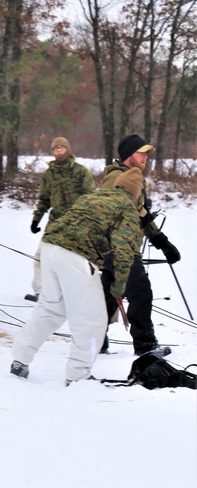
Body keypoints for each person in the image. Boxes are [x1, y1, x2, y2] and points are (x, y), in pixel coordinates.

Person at [10, 168, 143, 385]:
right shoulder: (126, 207)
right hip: (76, 256)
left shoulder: (95, 195)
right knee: (92, 320)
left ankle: (19, 360)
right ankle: (78, 375)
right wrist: (119, 285)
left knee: (51, 308)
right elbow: (124, 248)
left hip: (50, 247)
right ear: (136, 192)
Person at [97, 134, 181, 356]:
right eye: (141, 153)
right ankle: (145, 345)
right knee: (141, 292)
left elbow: (141, 214)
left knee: (107, 297)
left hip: (123, 247)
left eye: (146, 153)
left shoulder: (133, 178)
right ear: (128, 156)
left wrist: (162, 242)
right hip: (119, 247)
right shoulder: (115, 179)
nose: (145, 157)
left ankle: (94, 340)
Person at [26, 137, 96, 301]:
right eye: (55, 148)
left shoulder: (80, 171)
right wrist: (36, 219)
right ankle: (40, 291)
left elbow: (91, 198)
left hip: (77, 223)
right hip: (55, 222)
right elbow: (44, 198)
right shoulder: (50, 174)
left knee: (77, 260)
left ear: (68, 149)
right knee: (42, 255)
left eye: (62, 147)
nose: (59, 151)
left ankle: (81, 292)